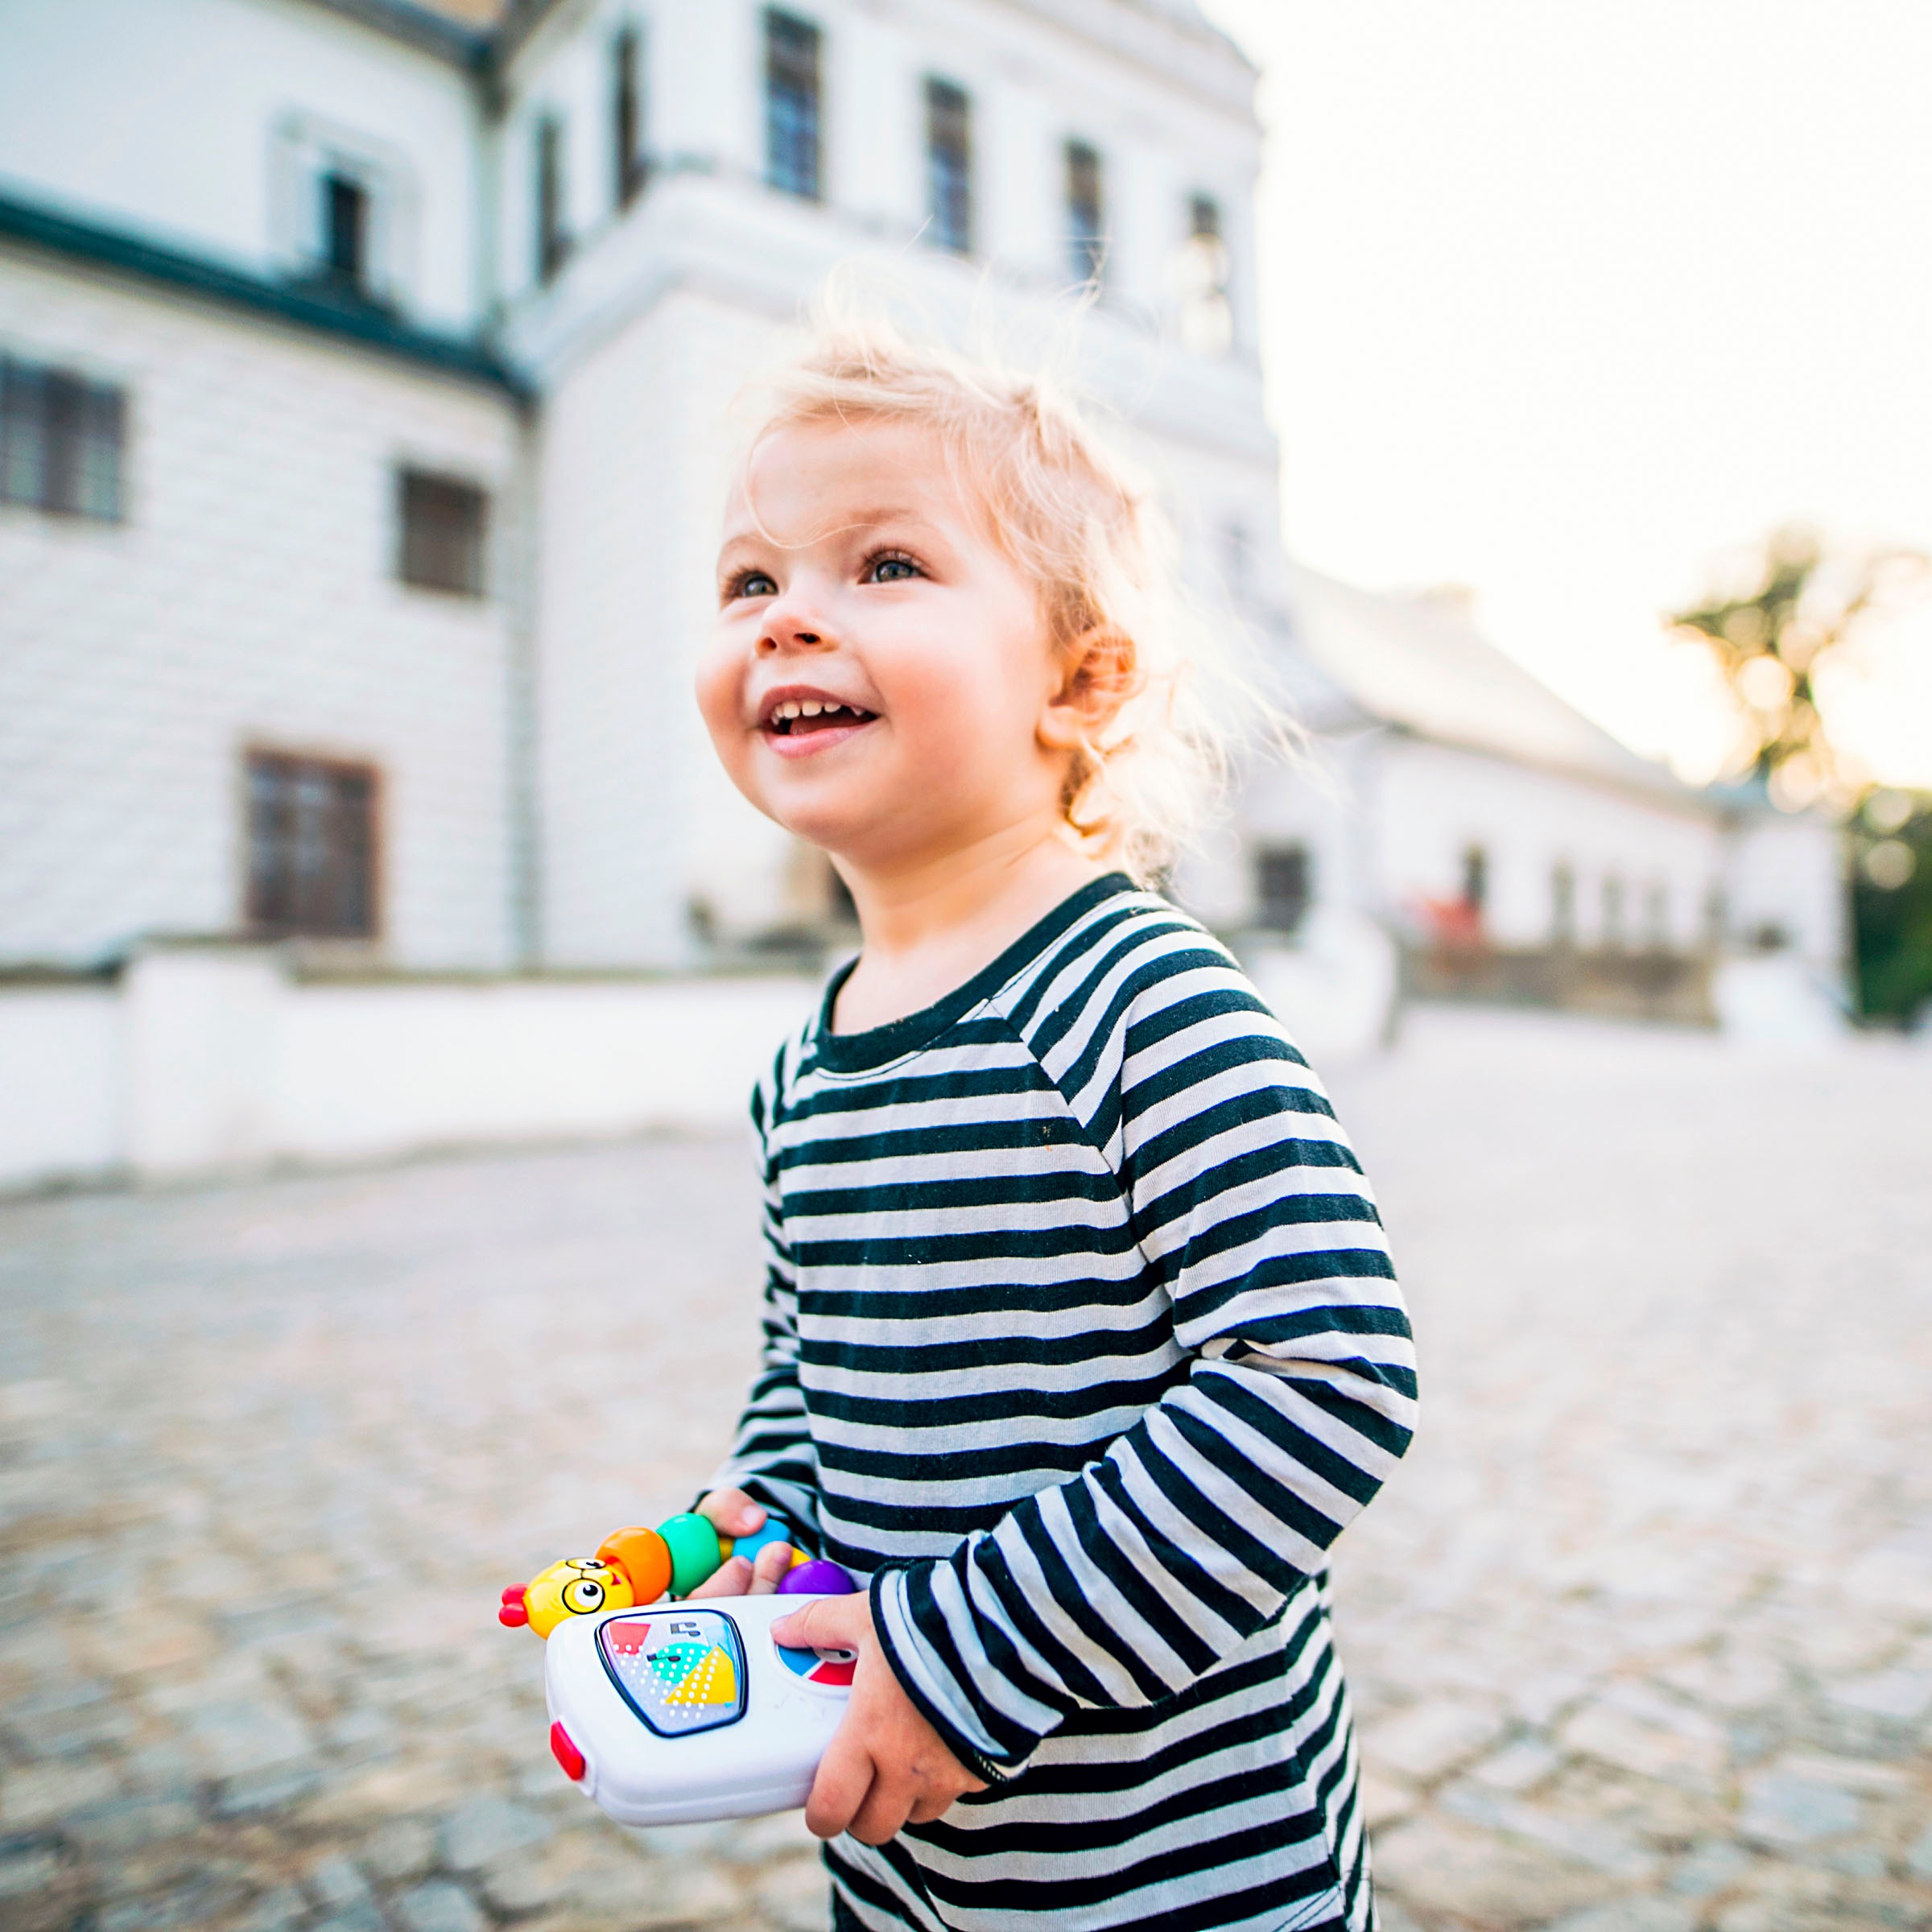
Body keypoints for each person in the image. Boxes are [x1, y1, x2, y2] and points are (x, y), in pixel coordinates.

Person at [680, 321, 1415, 1932]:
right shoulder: (807, 1063)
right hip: (917, 1863)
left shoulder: (1142, 993)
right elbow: (810, 1369)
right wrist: (768, 1502)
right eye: (749, 583)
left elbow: (1329, 1381)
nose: (790, 613)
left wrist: (968, 1656)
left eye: (883, 562)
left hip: (1180, 1868)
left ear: (1079, 681)